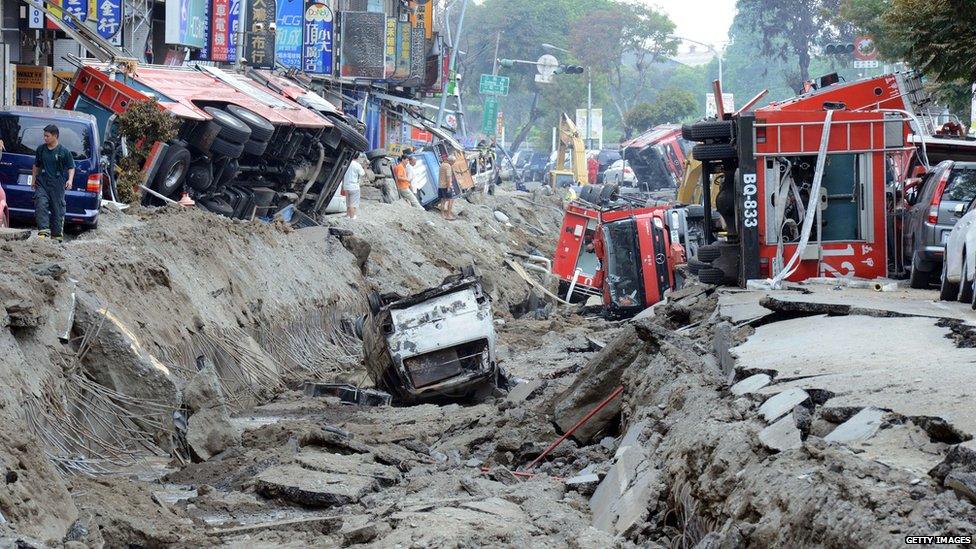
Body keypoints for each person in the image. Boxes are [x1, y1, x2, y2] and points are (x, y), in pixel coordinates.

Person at [32, 124, 75, 241]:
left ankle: (56, 236)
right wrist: (33, 180)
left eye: (47, 136)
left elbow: (71, 167)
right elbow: (36, 165)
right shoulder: (41, 149)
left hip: (57, 184)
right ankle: (43, 231)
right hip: (42, 182)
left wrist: (70, 180)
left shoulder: (64, 151)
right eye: (44, 136)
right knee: (40, 203)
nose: (45, 138)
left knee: (57, 210)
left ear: (55, 136)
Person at [342, 153, 366, 219]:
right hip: (354, 187)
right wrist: (365, 166)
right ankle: (352, 218)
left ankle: (347, 215)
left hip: (346, 186)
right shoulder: (357, 165)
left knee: (348, 203)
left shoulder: (346, 163)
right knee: (353, 204)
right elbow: (362, 173)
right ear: (357, 157)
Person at [438, 153, 459, 220]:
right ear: (451, 161)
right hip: (445, 186)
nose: (453, 164)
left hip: (440, 185)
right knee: (451, 200)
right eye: (453, 162)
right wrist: (449, 187)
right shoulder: (448, 166)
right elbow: (448, 177)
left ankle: (442, 215)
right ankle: (448, 215)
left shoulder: (442, 165)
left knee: (442, 200)